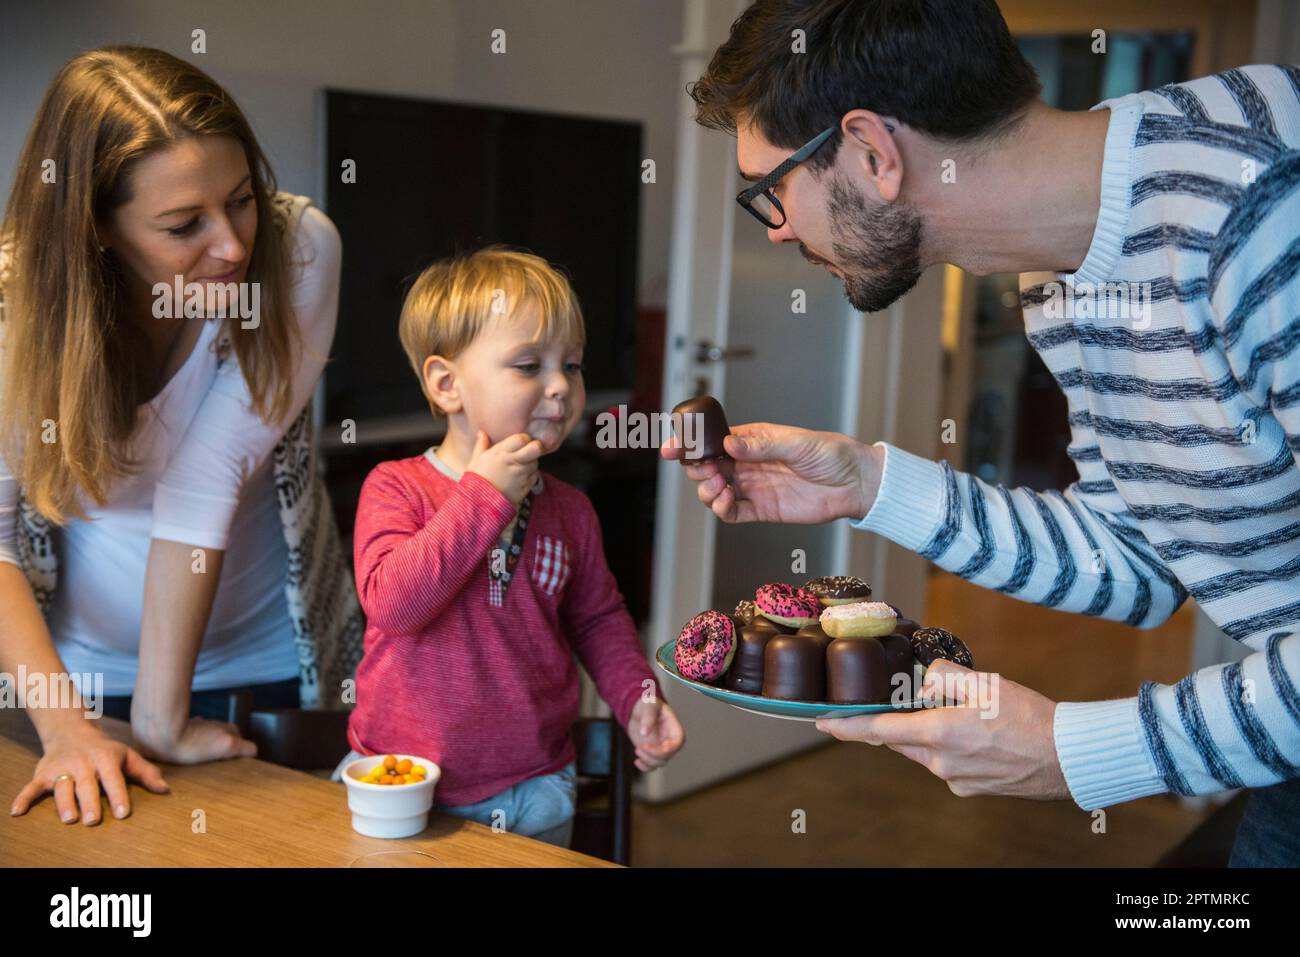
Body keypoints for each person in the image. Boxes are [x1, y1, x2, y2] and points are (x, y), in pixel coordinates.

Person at [665, 0, 1300, 866]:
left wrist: (1082, 752)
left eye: (770, 190)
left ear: (872, 151)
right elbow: (1140, 562)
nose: (776, 228)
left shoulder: (1259, 215)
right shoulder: (1066, 269)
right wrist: (871, 485)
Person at [1, 47, 363, 827]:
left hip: (276, 657)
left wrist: (164, 718)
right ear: (94, 226)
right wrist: (63, 724)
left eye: (240, 199)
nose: (232, 244)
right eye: (182, 224)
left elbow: (206, 475)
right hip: (74, 675)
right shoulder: (12, 318)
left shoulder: (297, 250)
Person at [333, 247, 684, 847]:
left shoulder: (570, 509)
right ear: (448, 384)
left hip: (538, 783)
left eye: (570, 366)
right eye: (528, 365)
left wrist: (637, 695)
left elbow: (598, 619)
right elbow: (395, 605)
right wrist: (484, 495)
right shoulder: (396, 488)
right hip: (407, 783)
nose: (559, 388)